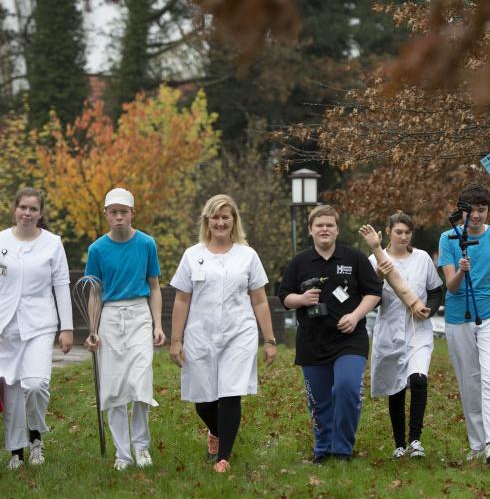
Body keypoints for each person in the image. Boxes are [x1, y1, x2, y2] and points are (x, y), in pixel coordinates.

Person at [169, 194, 277, 473]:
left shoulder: (247, 255)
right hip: (200, 334)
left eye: (225, 217)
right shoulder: (193, 255)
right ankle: (217, 431)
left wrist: (270, 340)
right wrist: (176, 340)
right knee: (203, 400)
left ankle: (223, 457)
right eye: (215, 217)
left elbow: (260, 300)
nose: (220, 222)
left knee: (231, 393)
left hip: (238, 333)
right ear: (208, 221)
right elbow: (181, 300)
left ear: (233, 221)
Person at [0, 187, 74, 469]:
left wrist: (67, 328)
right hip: (4, 327)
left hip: (39, 324)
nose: (27, 213)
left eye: (33, 209)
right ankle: (17, 451)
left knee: (36, 384)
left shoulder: (53, 243)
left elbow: (61, 286)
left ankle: (36, 435)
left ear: (40, 214)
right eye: (23, 208)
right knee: (12, 393)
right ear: (15, 209)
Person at [278, 205, 382, 463]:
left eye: (329, 225)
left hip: (350, 340)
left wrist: (356, 315)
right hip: (312, 341)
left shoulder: (354, 258)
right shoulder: (299, 261)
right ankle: (323, 450)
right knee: (320, 402)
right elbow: (284, 298)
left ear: (337, 229)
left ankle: (343, 449)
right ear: (310, 230)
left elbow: (374, 293)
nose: (324, 229)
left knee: (346, 389)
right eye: (319, 225)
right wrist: (301, 299)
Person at [83, 187, 166, 471]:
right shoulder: (96, 249)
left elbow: (154, 286)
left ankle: (141, 447)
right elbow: (95, 293)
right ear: (106, 214)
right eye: (113, 212)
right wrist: (92, 330)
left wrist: (158, 324)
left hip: (139, 314)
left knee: (141, 383)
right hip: (110, 317)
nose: (119, 217)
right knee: (114, 387)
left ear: (132, 213)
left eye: (124, 212)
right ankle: (123, 453)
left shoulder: (146, 244)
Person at [437, 184, 490, 464]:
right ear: (463, 212)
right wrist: (461, 269)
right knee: (470, 381)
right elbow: (452, 286)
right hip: (459, 316)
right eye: (472, 211)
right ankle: (477, 443)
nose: (478, 216)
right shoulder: (448, 239)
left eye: (482, 210)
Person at [363, 212, 443, 459]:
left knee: (418, 379)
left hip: (418, 330)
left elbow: (436, 290)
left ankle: (415, 440)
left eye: (407, 232)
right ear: (388, 232)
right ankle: (399, 444)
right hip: (389, 329)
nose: (403, 236)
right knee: (396, 386)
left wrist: (428, 310)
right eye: (399, 232)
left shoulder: (422, 259)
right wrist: (377, 277)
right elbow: (370, 299)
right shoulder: (375, 259)